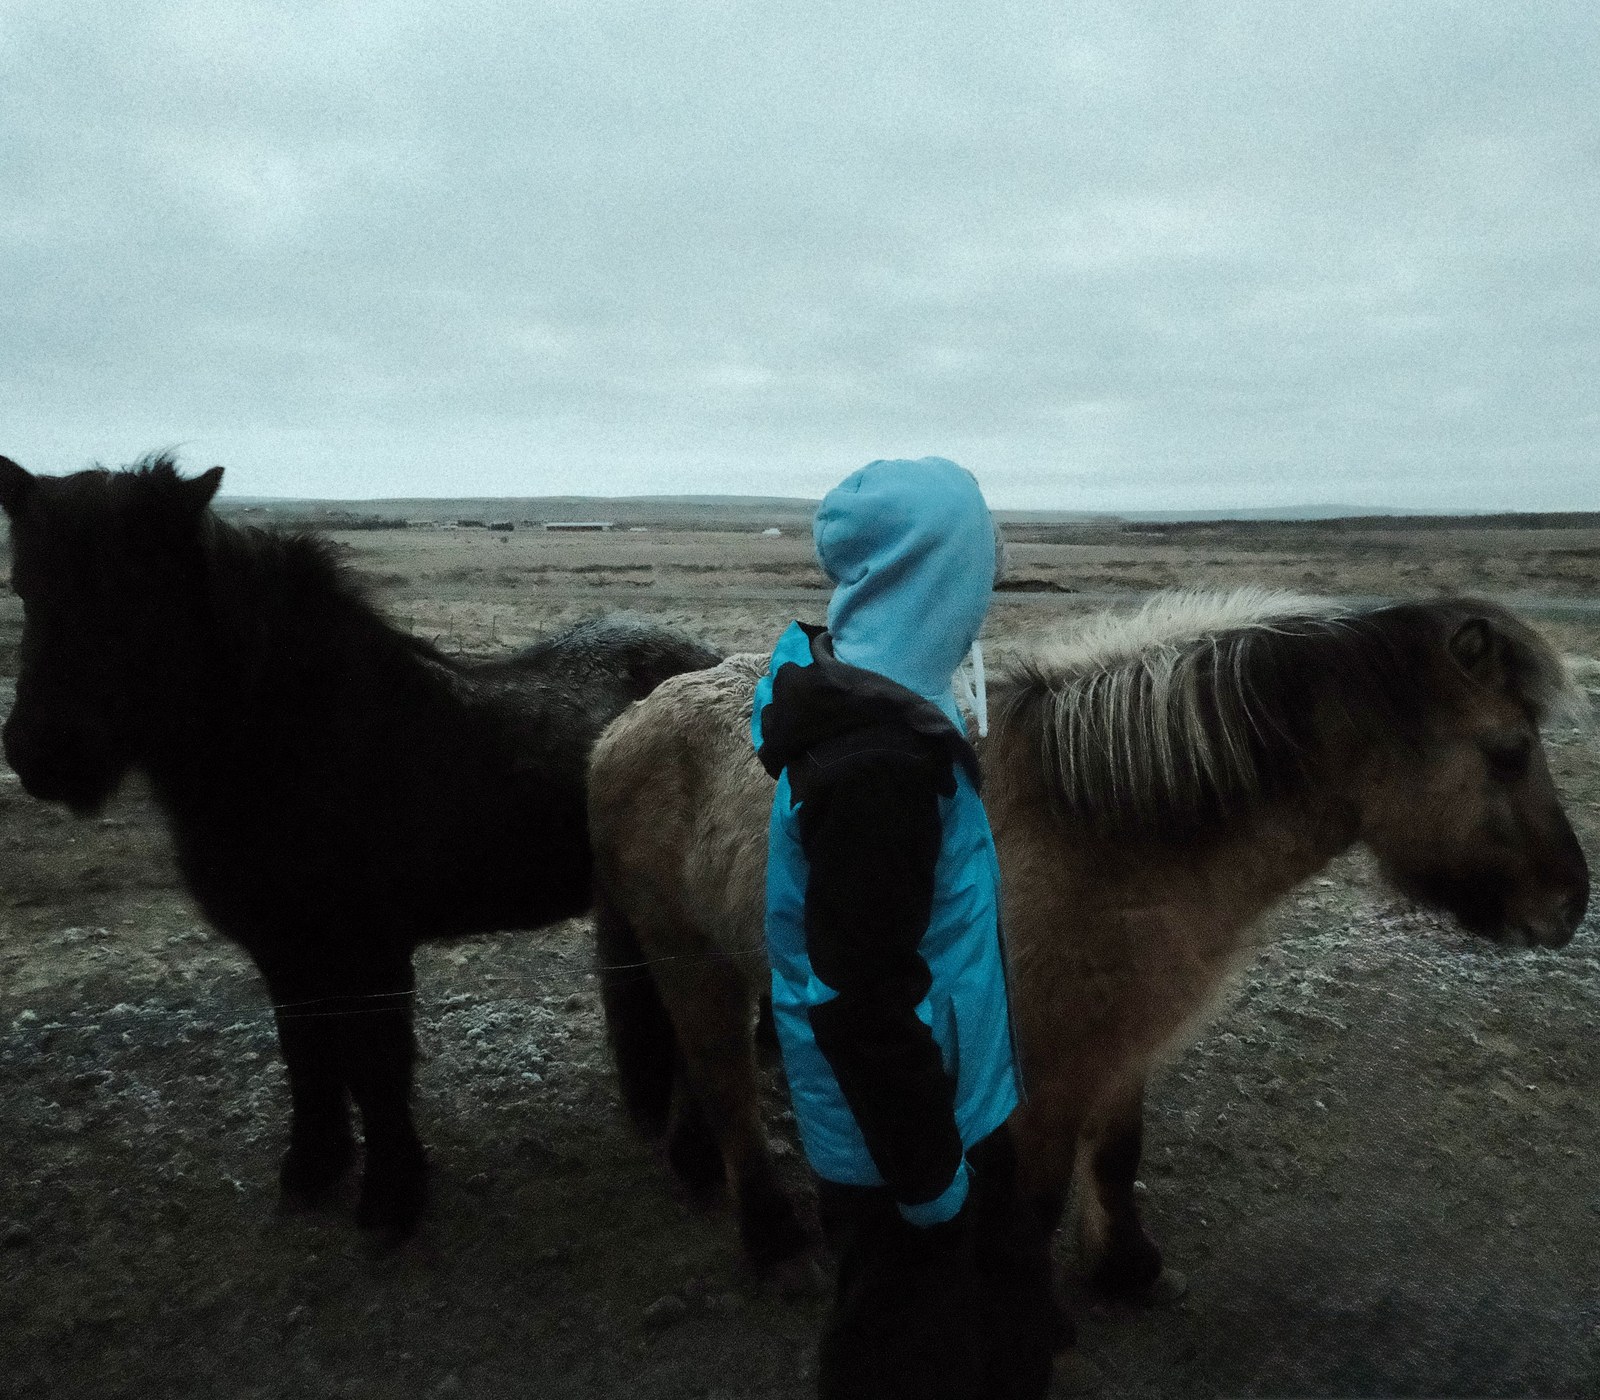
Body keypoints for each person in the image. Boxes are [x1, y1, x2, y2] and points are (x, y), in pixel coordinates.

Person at [752, 457, 1063, 1400]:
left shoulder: (878, 703)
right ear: (934, 579)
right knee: (900, 1349)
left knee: (996, 1312)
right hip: (906, 1146)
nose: (991, 586)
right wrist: (929, 1179)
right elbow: (859, 998)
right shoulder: (879, 767)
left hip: (953, 1103)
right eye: (978, 566)